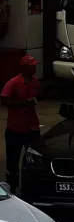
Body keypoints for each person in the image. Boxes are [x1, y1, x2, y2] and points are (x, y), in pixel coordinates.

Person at [2, 55, 41, 189]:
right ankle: (12, 188)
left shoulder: (35, 82)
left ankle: (30, 187)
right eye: (31, 66)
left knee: (33, 160)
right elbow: (4, 100)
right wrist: (22, 103)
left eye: (35, 66)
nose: (34, 68)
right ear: (23, 68)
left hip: (32, 128)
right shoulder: (13, 83)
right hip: (15, 129)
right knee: (13, 162)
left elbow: (39, 94)